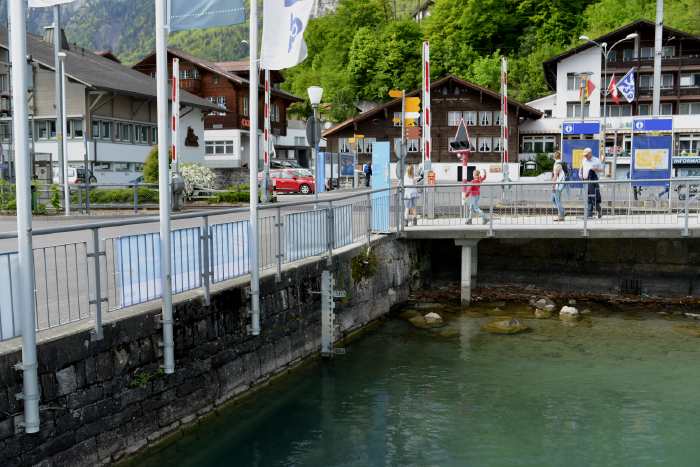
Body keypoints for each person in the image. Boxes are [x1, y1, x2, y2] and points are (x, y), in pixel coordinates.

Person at [578, 148, 604, 218]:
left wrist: (595, 169)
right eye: (585, 155)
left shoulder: (596, 160)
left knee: (594, 197)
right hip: (585, 181)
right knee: (587, 198)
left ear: (590, 153)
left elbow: (602, 170)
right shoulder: (584, 160)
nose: (585, 156)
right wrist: (581, 176)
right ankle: (589, 214)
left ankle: (599, 210)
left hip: (593, 181)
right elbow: (581, 169)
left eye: (586, 155)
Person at [551, 151, 566, 221]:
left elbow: (555, 176)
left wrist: (553, 186)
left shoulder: (557, 165)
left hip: (558, 185)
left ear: (555, 156)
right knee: (554, 200)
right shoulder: (558, 163)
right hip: (559, 185)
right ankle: (562, 211)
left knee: (557, 200)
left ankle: (561, 215)